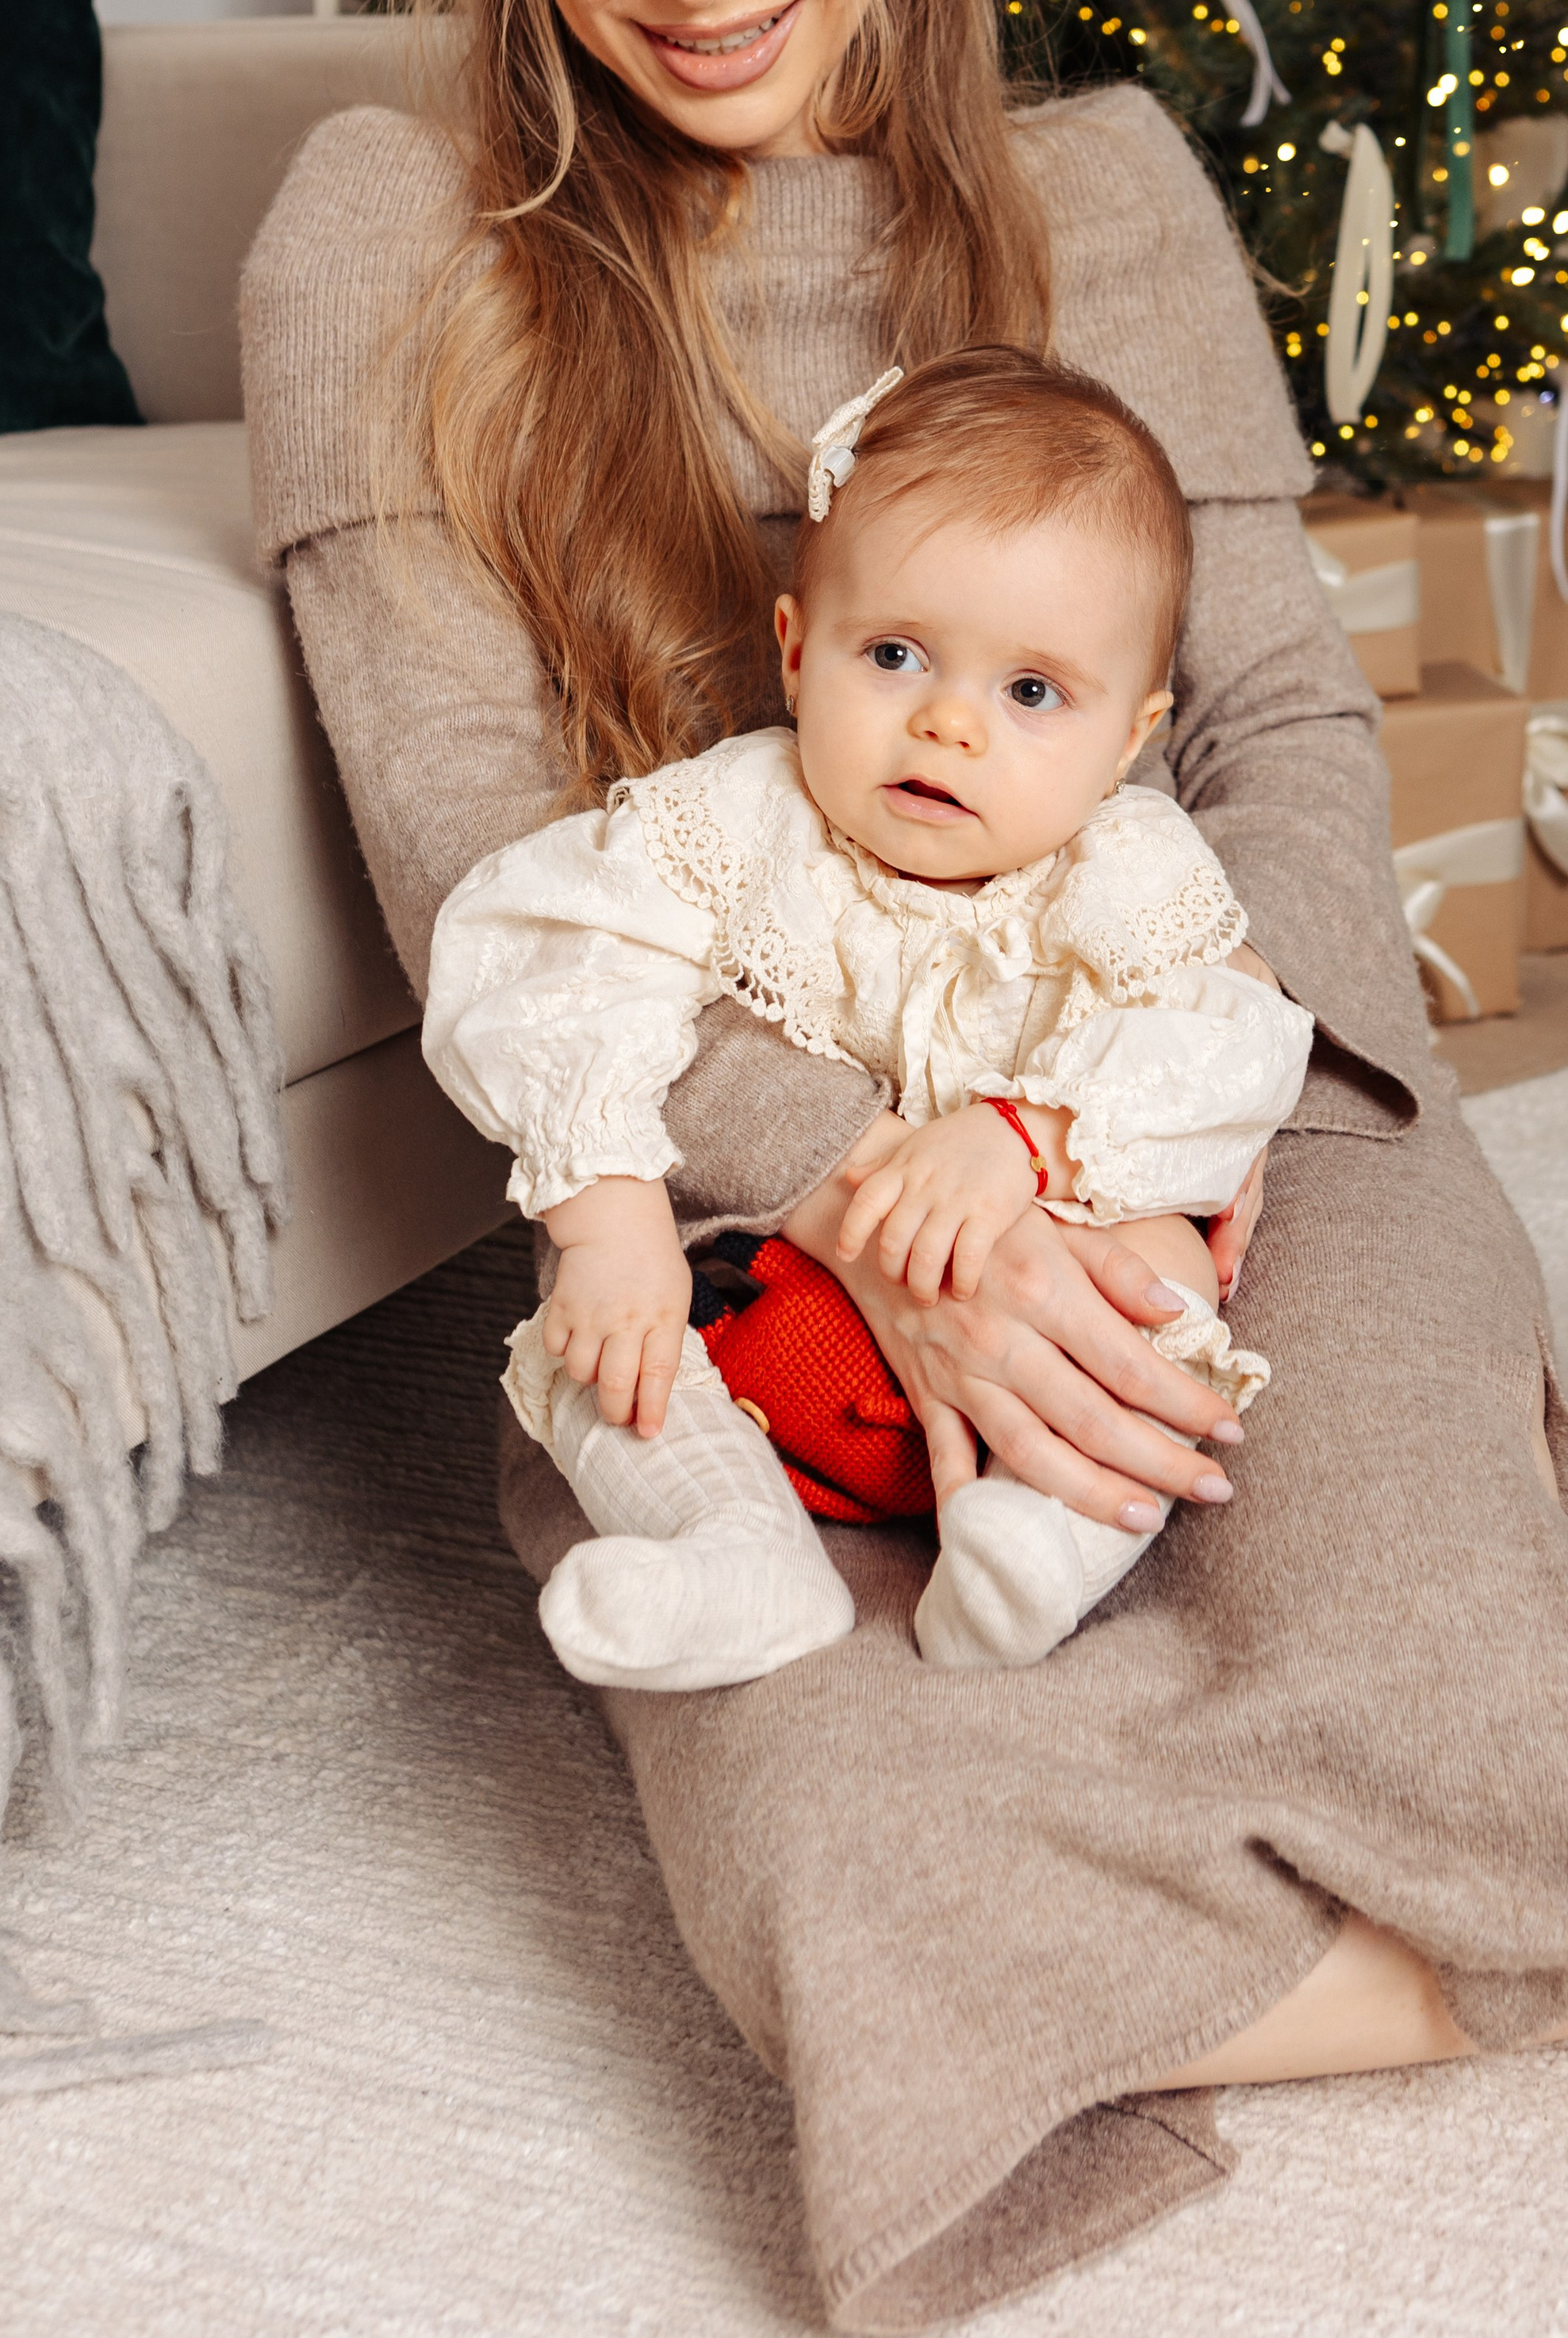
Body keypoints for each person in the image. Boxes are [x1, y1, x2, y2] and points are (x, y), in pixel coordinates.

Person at [240, 0, 1568, 2335]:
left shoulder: (1106, 193)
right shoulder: (384, 249)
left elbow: (1274, 729)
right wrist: (899, 1218)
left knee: (1408, 1631)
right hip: (733, 1272)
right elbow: (490, 881)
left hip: (1238, 1111)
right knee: (855, 1865)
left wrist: (1093, 1155)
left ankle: (1507, 1751)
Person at [420, 348, 1309, 1687]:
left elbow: (1233, 1038)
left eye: (1031, 693)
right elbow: (552, 959)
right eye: (894, 655)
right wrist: (609, 1227)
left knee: (1167, 1270)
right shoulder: (737, 820)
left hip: (1036, 1304)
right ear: (795, 651)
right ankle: (735, 1550)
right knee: (589, 1329)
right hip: (771, 1297)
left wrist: (1031, 1139)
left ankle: (1045, 1533)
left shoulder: (1128, 868)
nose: (948, 723)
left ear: (1131, 735)